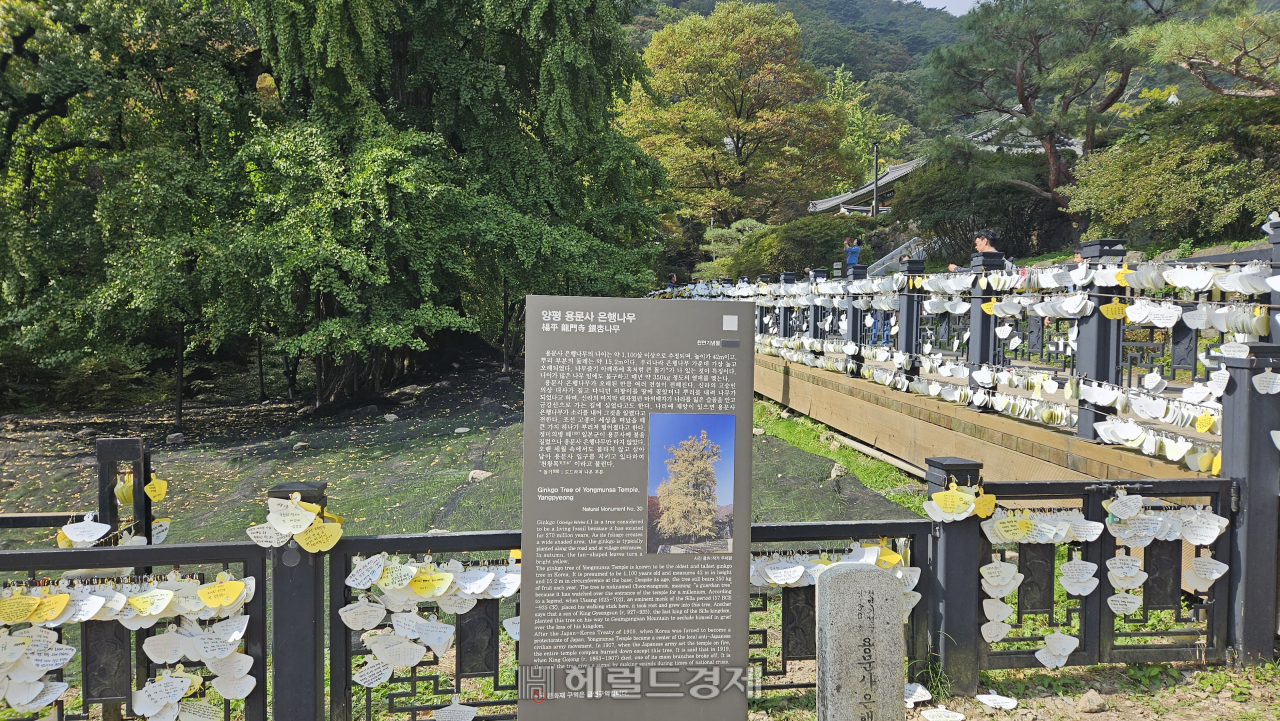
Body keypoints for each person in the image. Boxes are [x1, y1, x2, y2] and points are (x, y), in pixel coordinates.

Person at [948, 229, 1016, 272]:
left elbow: (974, 273)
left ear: (985, 241)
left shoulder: (984, 259)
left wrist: (956, 269)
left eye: (977, 242)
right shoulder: (1004, 260)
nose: (975, 246)